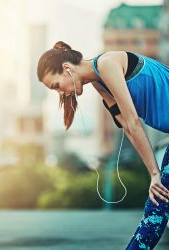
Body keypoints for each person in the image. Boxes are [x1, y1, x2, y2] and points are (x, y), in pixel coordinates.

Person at [37, 41, 169, 249]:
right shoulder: (100, 82)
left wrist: (154, 174)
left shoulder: (107, 64)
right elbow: (126, 126)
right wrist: (153, 172)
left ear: (67, 68)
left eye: (56, 86)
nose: (61, 93)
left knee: (157, 209)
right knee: (157, 208)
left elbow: (133, 121)